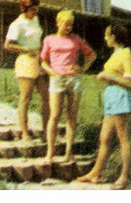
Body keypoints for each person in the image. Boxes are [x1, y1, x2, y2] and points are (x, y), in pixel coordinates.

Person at [76, 23, 131, 190]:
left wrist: (109, 76)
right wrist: (107, 76)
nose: (105, 38)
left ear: (114, 37)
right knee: (104, 138)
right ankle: (95, 174)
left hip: (120, 98)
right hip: (111, 97)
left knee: (123, 138)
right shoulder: (115, 53)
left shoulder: (127, 54)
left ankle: (124, 177)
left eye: (107, 35)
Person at [40, 9, 96, 164]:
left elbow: (91, 55)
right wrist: (51, 72)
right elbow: (43, 61)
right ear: (58, 23)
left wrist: (83, 68)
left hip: (74, 80)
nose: (68, 27)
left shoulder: (76, 39)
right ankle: (50, 154)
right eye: (65, 24)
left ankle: (68, 153)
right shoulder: (49, 39)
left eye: (71, 24)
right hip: (57, 80)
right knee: (54, 115)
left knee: (72, 116)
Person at [4, 0, 49, 142]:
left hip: (39, 60)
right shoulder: (17, 24)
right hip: (25, 61)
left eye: (37, 9)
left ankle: (46, 131)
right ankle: (25, 132)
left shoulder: (35, 19)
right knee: (26, 98)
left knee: (46, 97)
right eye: (32, 10)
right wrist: (25, 49)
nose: (35, 12)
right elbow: (7, 45)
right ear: (25, 9)